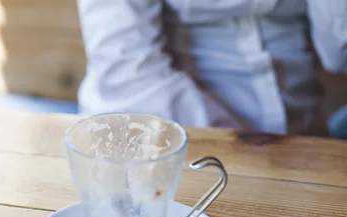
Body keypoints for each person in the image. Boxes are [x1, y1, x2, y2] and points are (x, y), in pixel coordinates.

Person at [77, 0, 347, 135]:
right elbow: (127, 71)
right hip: (167, 132)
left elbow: (338, 53)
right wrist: (252, 147)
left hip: (305, 133)